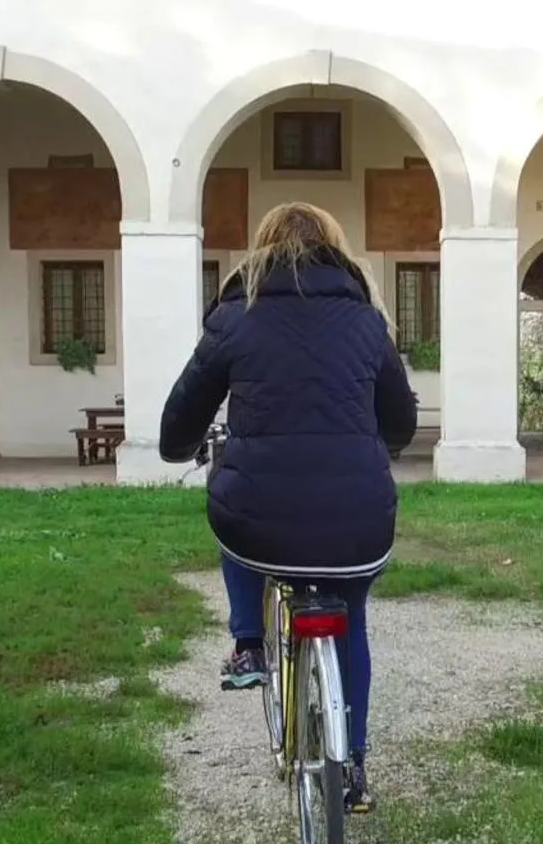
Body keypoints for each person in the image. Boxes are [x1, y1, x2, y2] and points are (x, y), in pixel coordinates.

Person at [158, 201, 417, 813]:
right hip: (357, 509)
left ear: (262, 249)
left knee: (239, 512)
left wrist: (179, 447)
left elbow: (182, 416)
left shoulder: (235, 315)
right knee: (349, 617)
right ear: (336, 248)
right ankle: (351, 765)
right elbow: (400, 420)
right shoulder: (366, 321)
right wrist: (384, 444)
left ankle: (248, 642)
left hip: (261, 506)